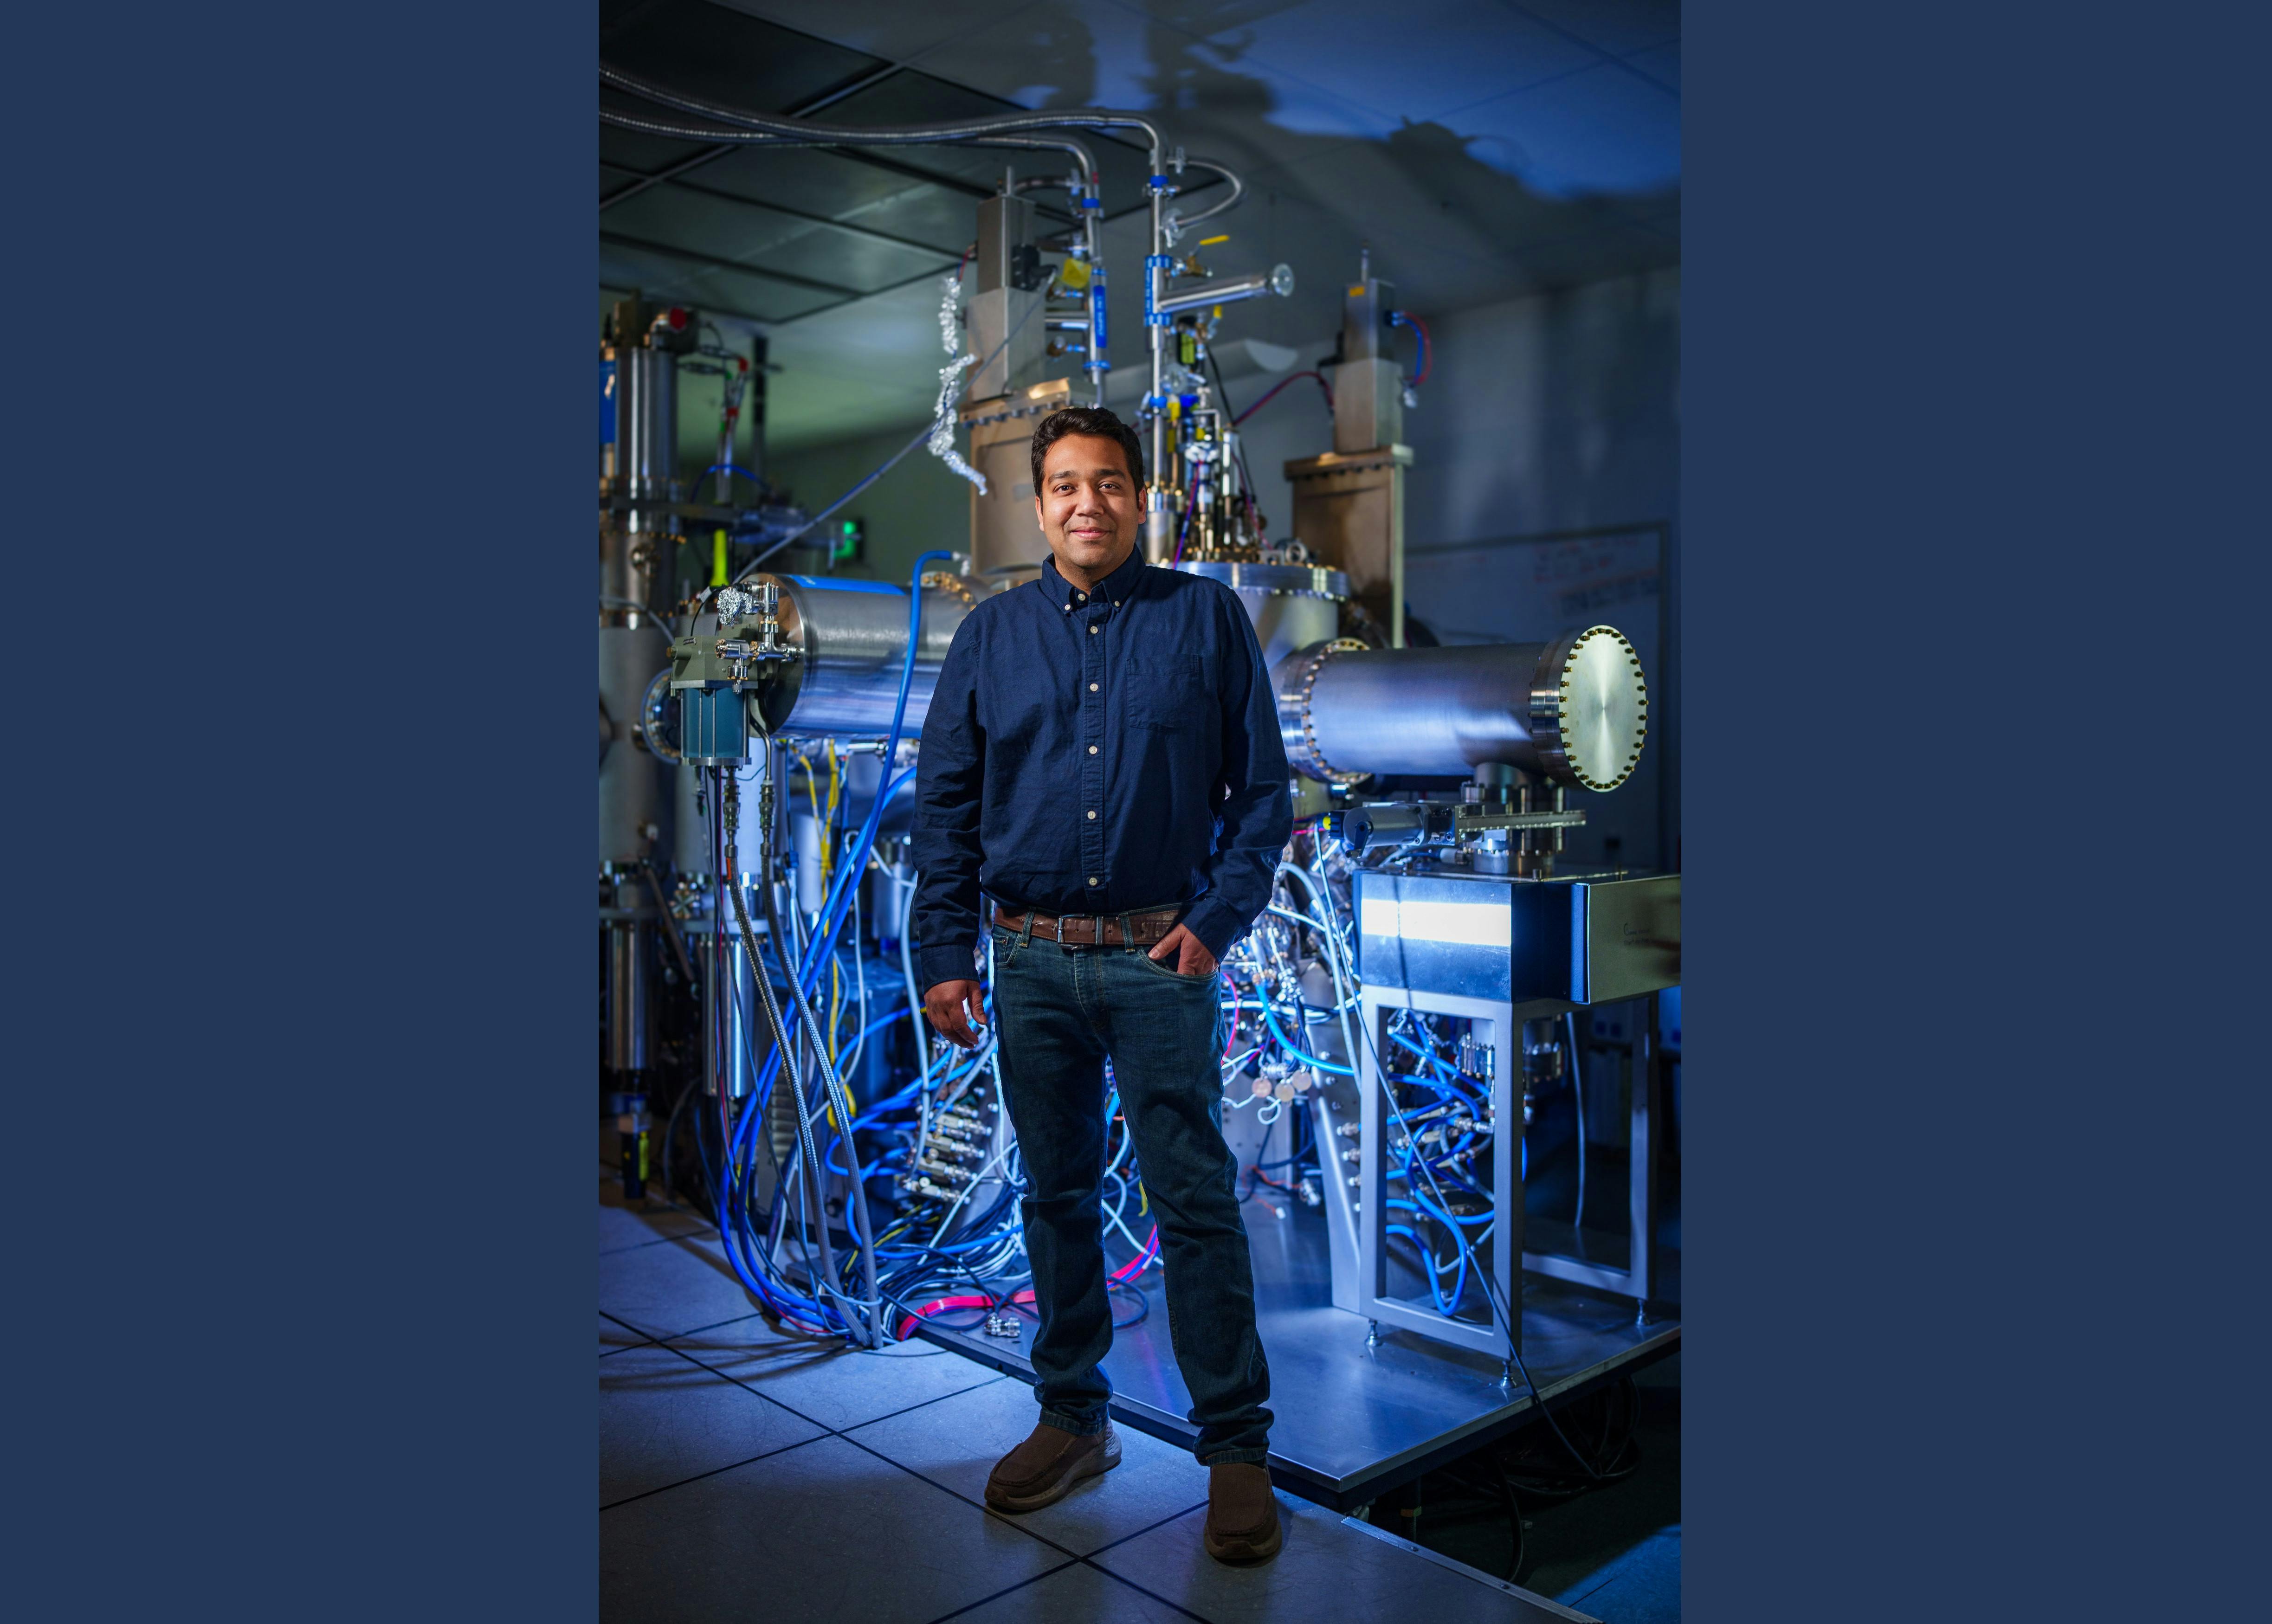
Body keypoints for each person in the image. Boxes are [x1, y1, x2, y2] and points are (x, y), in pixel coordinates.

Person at [911, 405, 1293, 1564]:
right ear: (1040, 506)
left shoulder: (1205, 619)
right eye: (1067, 485)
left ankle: (1234, 1446)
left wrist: (1216, 924)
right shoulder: (990, 637)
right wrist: (942, 954)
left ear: (1143, 498)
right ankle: (1074, 1417)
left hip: (1158, 956)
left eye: (1111, 483)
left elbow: (1263, 798)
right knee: (1055, 1196)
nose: (1090, 503)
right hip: (1026, 962)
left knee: (1194, 1202)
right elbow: (945, 807)